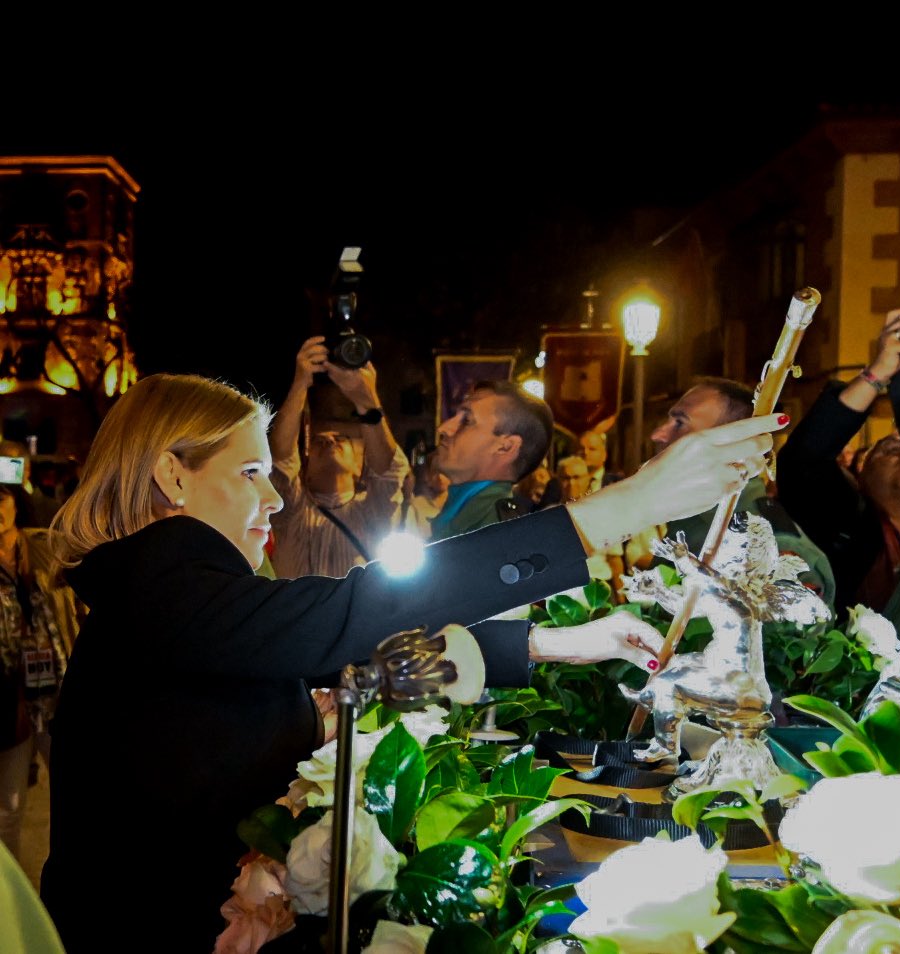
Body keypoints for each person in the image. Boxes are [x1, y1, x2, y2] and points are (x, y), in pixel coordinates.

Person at [38, 372, 781, 953]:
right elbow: (352, 617)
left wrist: (547, 643)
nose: (275, 497)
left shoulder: (167, 593)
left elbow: (340, 648)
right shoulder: (158, 576)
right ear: (173, 476)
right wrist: (621, 508)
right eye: (250, 472)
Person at [778, 310, 900, 634]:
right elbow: (805, 459)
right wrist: (879, 372)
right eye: (887, 450)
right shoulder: (844, 529)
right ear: (860, 477)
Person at [650, 378, 835, 604]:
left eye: (680, 423)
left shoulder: (767, 545)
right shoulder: (694, 520)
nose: (657, 434)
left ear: (734, 442)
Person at [268, 336, 410, 578]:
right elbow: (280, 459)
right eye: (319, 442)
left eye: (341, 440)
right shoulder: (291, 511)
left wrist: (367, 401)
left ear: (358, 468)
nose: (331, 441)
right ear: (305, 472)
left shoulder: (373, 512)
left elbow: (388, 471)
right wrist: (300, 383)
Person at [0, 484, 85, 865]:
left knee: (75, 794)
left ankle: (71, 877)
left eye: (1, 499)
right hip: (11, 700)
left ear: (16, 503)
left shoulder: (43, 547)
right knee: (9, 806)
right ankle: (12, 893)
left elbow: (79, 593)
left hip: (57, 689)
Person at [428, 381, 545, 540]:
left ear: (506, 447)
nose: (443, 428)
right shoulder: (466, 516)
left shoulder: (496, 534)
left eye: (467, 421)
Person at [579, 428, 623, 493]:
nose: (585, 452)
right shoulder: (565, 484)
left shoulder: (618, 484)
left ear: (604, 455)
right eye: (581, 448)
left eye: (592, 449)